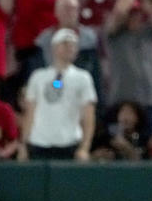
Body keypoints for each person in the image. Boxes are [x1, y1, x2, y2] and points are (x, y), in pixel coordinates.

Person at [19, 28, 97, 161]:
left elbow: (89, 115)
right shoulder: (38, 77)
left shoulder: (83, 77)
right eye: (65, 44)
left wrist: (85, 147)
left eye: (73, 45)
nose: (70, 48)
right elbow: (30, 113)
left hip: (69, 143)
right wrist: (23, 144)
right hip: (39, 143)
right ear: (54, 48)